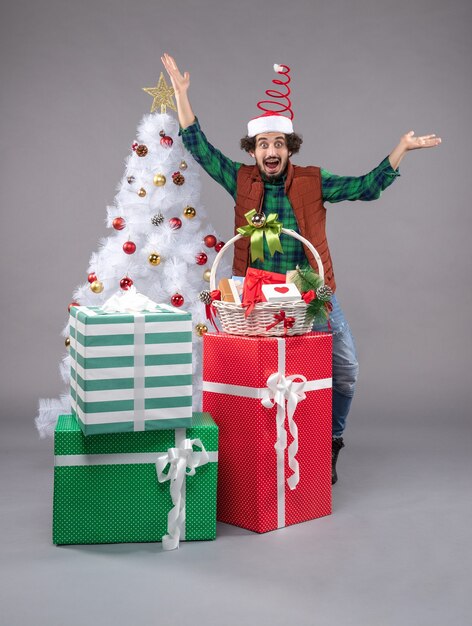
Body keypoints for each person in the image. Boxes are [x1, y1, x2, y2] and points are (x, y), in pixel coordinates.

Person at [161, 53, 441, 484]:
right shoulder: (240, 179)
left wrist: (400, 150)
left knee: (344, 368)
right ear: (252, 151)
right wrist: (182, 95)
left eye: (278, 144)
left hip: (308, 294)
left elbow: (366, 187)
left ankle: (329, 442)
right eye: (262, 145)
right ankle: (241, 459)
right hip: (251, 293)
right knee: (246, 376)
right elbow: (199, 147)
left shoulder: (312, 180)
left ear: (289, 149)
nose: (270, 152)